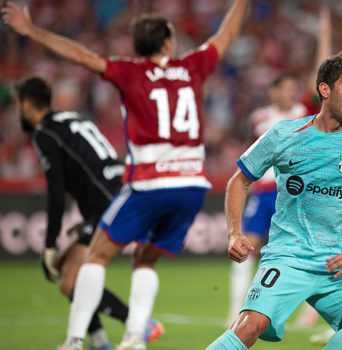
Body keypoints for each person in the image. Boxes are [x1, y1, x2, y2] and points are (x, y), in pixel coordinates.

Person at [2, 1, 249, 349]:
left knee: (97, 255)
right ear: (166, 42)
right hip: (192, 185)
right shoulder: (191, 66)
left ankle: (74, 340)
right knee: (145, 257)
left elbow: (82, 56)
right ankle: (134, 336)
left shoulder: (131, 72)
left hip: (149, 183)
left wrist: (32, 32)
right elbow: (227, 34)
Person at [206, 50, 342, 350]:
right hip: (289, 258)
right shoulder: (286, 134)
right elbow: (239, 180)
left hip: (338, 264)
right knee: (248, 328)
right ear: (325, 89)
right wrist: (234, 232)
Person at [14, 76, 163, 350]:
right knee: (64, 270)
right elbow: (91, 164)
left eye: (18, 105)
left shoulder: (45, 133)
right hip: (118, 191)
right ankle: (100, 341)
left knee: (70, 279)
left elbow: (56, 193)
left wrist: (48, 244)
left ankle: (136, 324)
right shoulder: (72, 119)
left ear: (25, 104)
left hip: (108, 202)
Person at [227, 6, 332, 328]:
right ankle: (235, 310)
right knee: (247, 245)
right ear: (274, 91)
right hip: (264, 190)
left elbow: (323, 71)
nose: (291, 91)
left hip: (297, 191)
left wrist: (324, 33)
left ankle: (314, 310)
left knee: (310, 249)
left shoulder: (305, 111)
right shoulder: (259, 118)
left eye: (293, 87)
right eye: (285, 87)